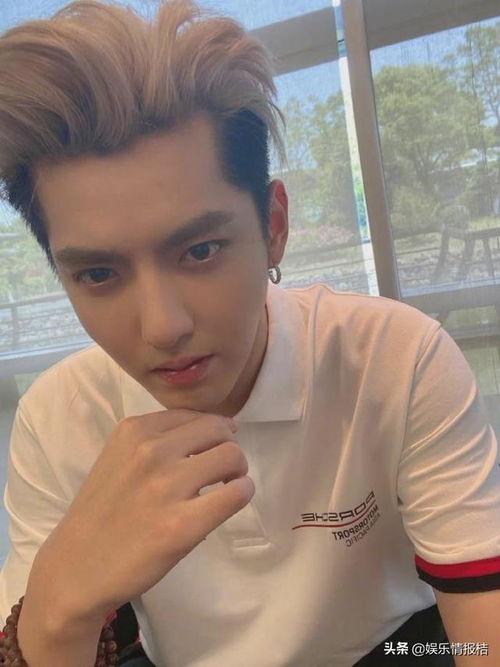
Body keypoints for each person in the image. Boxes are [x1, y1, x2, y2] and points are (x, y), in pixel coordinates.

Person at [0, 0, 499, 665]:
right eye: (98, 273)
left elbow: (482, 633)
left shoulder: (396, 357)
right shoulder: (57, 420)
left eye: (201, 250)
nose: (164, 327)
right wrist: (64, 605)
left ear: (274, 226)